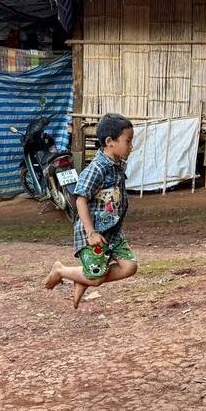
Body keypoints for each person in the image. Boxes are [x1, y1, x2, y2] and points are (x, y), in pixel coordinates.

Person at [44, 113, 137, 309]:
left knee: (129, 267)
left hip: (112, 231)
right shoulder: (97, 168)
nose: (131, 146)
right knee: (95, 279)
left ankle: (84, 278)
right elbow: (80, 199)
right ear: (110, 142)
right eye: (127, 141)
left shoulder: (117, 166)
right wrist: (91, 232)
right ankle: (61, 270)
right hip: (94, 233)